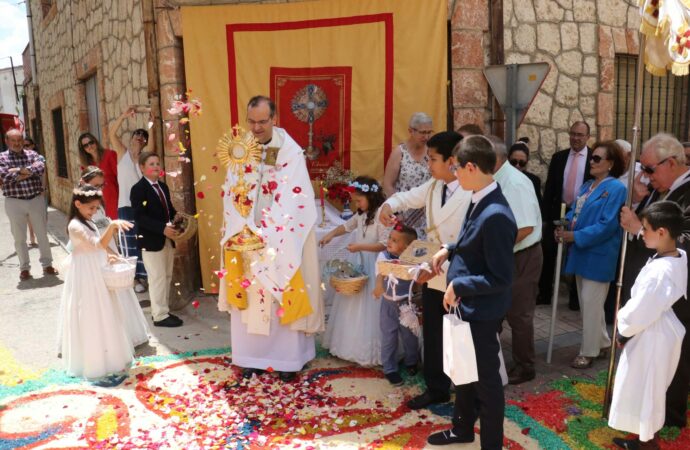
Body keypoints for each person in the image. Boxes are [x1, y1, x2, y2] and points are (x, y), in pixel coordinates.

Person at [218, 95, 324, 382]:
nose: (256, 127)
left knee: (281, 292)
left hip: (280, 237)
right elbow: (230, 191)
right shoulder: (240, 148)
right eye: (251, 121)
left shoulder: (290, 151)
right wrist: (243, 225)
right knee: (250, 295)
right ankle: (251, 357)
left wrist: (270, 229)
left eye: (262, 122)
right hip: (247, 236)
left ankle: (288, 360)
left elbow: (296, 195)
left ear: (274, 119)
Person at [426, 135, 517, 448]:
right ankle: (462, 429)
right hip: (466, 308)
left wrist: (459, 284)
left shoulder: (497, 215)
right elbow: (473, 242)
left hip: (481, 312)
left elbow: (502, 277)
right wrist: (448, 250)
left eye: (457, 169)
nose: (454, 174)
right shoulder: (480, 196)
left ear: (472, 167)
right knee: (462, 374)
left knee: (487, 384)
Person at [379, 131, 472, 409]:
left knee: (461, 333)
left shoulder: (471, 192)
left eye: (432, 159)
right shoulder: (433, 186)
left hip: (460, 271)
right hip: (432, 271)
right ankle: (436, 387)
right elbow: (407, 197)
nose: (428, 164)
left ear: (452, 161)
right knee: (433, 331)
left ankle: (468, 393)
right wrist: (388, 205)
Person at [619, 133, 690, 428]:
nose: (645, 177)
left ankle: (669, 415)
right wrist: (639, 199)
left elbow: (683, 242)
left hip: (673, 295)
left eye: (649, 169)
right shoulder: (659, 190)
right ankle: (646, 410)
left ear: (671, 162)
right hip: (651, 287)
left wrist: (638, 230)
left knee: (672, 358)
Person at [609, 201, 687, 450]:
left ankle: (647, 443)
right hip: (660, 329)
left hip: (651, 333)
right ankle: (645, 438)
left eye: (645, 229)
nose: (641, 233)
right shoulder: (679, 255)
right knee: (650, 387)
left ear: (662, 232)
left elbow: (642, 308)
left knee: (647, 388)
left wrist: (623, 328)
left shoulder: (660, 272)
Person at [555, 141, 626, 368]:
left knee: (591, 303)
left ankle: (588, 351)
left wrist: (575, 237)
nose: (591, 162)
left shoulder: (616, 188)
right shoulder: (587, 186)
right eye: (592, 158)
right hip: (581, 252)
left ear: (611, 164)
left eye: (597, 158)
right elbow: (574, 212)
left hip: (599, 254)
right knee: (589, 306)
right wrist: (564, 225)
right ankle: (603, 342)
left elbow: (608, 225)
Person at [58, 185, 133, 380]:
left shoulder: (88, 221)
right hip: (85, 273)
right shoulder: (75, 225)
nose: (94, 212)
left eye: (96, 208)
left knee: (105, 310)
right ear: (77, 204)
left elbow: (101, 247)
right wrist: (112, 225)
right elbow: (97, 243)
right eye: (91, 208)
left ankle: (110, 356)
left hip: (95, 268)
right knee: (90, 312)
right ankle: (93, 361)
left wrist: (111, 256)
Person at [71, 166, 149, 347]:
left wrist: (115, 251)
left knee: (119, 289)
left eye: (101, 185)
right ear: (83, 183)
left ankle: (127, 333)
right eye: (95, 185)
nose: (99, 189)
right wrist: (111, 253)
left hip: (108, 247)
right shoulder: (83, 209)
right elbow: (94, 240)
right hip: (97, 251)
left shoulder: (98, 204)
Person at [489, 135, 543, 385]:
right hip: (506, 254)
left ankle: (525, 366)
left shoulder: (514, 182)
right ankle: (494, 361)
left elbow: (525, 228)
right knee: (496, 311)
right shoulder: (496, 179)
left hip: (521, 255)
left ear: (494, 158)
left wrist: (492, 249)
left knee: (519, 315)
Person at [320, 176, 389, 366]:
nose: (356, 204)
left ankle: (371, 351)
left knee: (371, 306)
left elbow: (384, 245)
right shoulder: (361, 214)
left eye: (359, 200)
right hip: (358, 261)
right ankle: (347, 345)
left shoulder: (382, 214)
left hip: (375, 264)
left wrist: (360, 247)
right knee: (352, 301)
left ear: (371, 196)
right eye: (354, 201)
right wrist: (331, 234)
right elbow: (347, 226)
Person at [539, 121, 593, 308]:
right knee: (549, 253)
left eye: (580, 134)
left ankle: (575, 300)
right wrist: (546, 218)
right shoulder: (559, 157)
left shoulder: (594, 159)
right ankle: (544, 295)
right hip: (558, 212)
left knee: (577, 254)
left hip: (583, 214)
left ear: (588, 137)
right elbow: (550, 189)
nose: (576, 138)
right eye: (573, 134)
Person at [130, 152, 183, 328]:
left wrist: (176, 217)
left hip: (167, 239)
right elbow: (140, 217)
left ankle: (163, 311)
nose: (156, 167)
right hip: (151, 241)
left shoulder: (163, 187)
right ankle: (159, 316)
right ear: (142, 168)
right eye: (151, 164)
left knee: (166, 276)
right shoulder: (138, 189)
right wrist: (162, 229)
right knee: (157, 277)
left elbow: (168, 209)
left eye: (157, 163)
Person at [0, 129, 57, 281]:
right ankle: (24, 268)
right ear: (7, 142)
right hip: (14, 201)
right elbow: (5, 176)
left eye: (20, 141)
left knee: (42, 234)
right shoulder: (2, 158)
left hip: (35, 199)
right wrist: (27, 172)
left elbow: (40, 167)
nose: (17, 144)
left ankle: (47, 265)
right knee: (19, 237)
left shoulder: (32, 154)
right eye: (14, 141)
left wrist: (18, 171)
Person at [110, 106, 153, 293]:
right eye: (137, 133)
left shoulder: (145, 158)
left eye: (143, 136)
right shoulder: (122, 154)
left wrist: (151, 120)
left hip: (142, 206)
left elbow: (152, 139)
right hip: (125, 206)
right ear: (131, 138)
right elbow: (112, 133)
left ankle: (144, 278)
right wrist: (124, 116)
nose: (140, 137)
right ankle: (133, 278)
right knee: (128, 242)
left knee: (143, 241)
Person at [372, 224, 419, 386]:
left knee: (410, 335)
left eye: (394, 240)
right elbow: (381, 271)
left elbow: (419, 275)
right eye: (389, 238)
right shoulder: (384, 255)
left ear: (406, 246)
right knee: (389, 336)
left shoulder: (413, 258)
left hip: (407, 303)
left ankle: (412, 361)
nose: (389, 242)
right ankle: (390, 368)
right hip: (388, 303)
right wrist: (378, 285)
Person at [382, 113, 433, 237]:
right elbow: (388, 184)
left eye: (429, 132)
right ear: (411, 131)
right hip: (403, 216)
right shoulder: (400, 152)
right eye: (422, 132)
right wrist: (397, 210)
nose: (426, 136)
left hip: (427, 216)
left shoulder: (432, 152)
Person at [78, 132, 119, 219]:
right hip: (96, 202)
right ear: (83, 149)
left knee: (115, 225)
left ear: (95, 142)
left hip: (113, 198)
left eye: (91, 142)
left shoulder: (109, 155)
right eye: (85, 145)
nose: (89, 146)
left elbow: (119, 176)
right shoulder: (85, 165)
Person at [508, 137, 543, 213]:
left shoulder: (534, 181)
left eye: (522, 163)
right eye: (514, 162)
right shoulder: (501, 178)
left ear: (527, 162)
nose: (517, 166)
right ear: (508, 159)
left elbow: (538, 208)